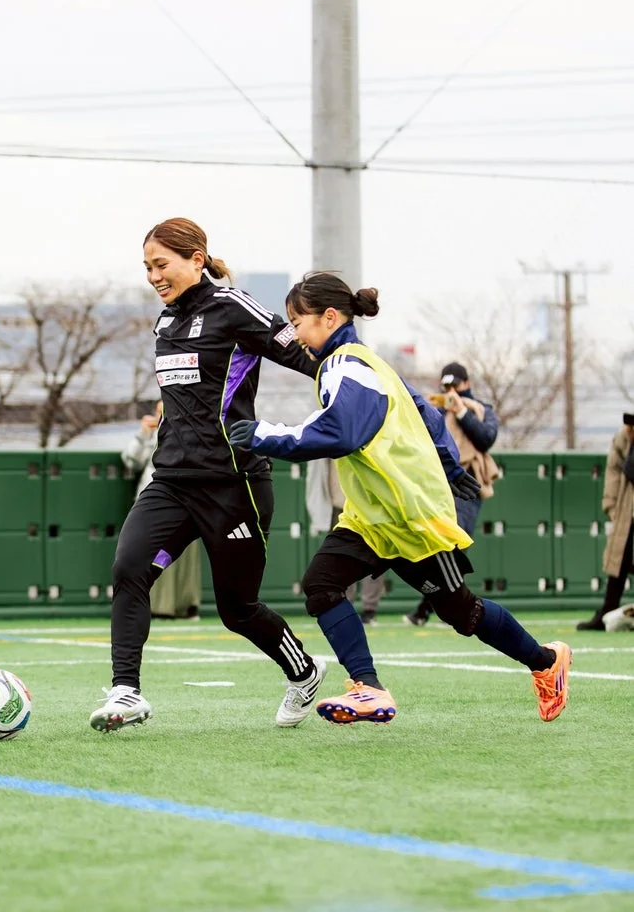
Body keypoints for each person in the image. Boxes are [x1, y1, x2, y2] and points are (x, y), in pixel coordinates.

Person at [229, 272, 572, 726]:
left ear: (329, 318)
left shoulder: (347, 365)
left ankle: (547, 662)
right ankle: (368, 688)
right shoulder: (360, 363)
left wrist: (262, 433)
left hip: (409, 515)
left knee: (463, 612)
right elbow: (427, 414)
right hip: (372, 516)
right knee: (321, 584)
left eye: (298, 322)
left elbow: (341, 433)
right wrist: (451, 465)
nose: (293, 334)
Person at [90, 218, 325, 732]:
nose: (154, 276)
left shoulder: (233, 306)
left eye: (162, 264)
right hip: (172, 481)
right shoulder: (164, 324)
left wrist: (351, 383)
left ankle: (304, 672)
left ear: (197, 258)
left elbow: (303, 353)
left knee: (237, 609)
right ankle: (126, 692)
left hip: (234, 483)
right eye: (147, 267)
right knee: (130, 570)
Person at [405, 361, 499, 626]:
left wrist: (461, 413)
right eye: (446, 386)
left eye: (455, 385)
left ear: (466, 384)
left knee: (455, 545)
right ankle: (442, 605)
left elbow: (486, 438)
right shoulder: (437, 412)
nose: (451, 390)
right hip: (439, 483)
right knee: (438, 545)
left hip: (467, 483)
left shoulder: (480, 409)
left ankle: (437, 607)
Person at [122, 401, 202, 619]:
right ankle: (159, 608)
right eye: (159, 411)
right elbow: (130, 460)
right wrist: (144, 434)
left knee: (183, 558)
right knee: (153, 555)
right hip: (155, 503)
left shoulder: (191, 431)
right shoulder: (153, 436)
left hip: (188, 504)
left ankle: (186, 606)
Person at [305, 459, 386, 624]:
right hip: (338, 509)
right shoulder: (324, 449)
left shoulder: (360, 440)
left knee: (373, 558)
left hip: (365, 507)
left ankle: (369, 609)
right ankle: (344, 605)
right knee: (339, 562)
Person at [577, 415, 634, 631]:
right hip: (627, 507)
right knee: (618, 558)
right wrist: (611, 505)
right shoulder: (623, 437)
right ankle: (608, 611)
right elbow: (614, 469)